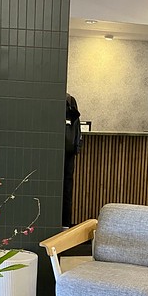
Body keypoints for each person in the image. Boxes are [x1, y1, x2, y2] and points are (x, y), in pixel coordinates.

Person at [63, 93, 82, 227]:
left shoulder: (67, 100)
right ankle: (65, 225)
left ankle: (62, 224)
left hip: (59, 152)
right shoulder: (70, 100)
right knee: (66, 190)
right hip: (69, 152)